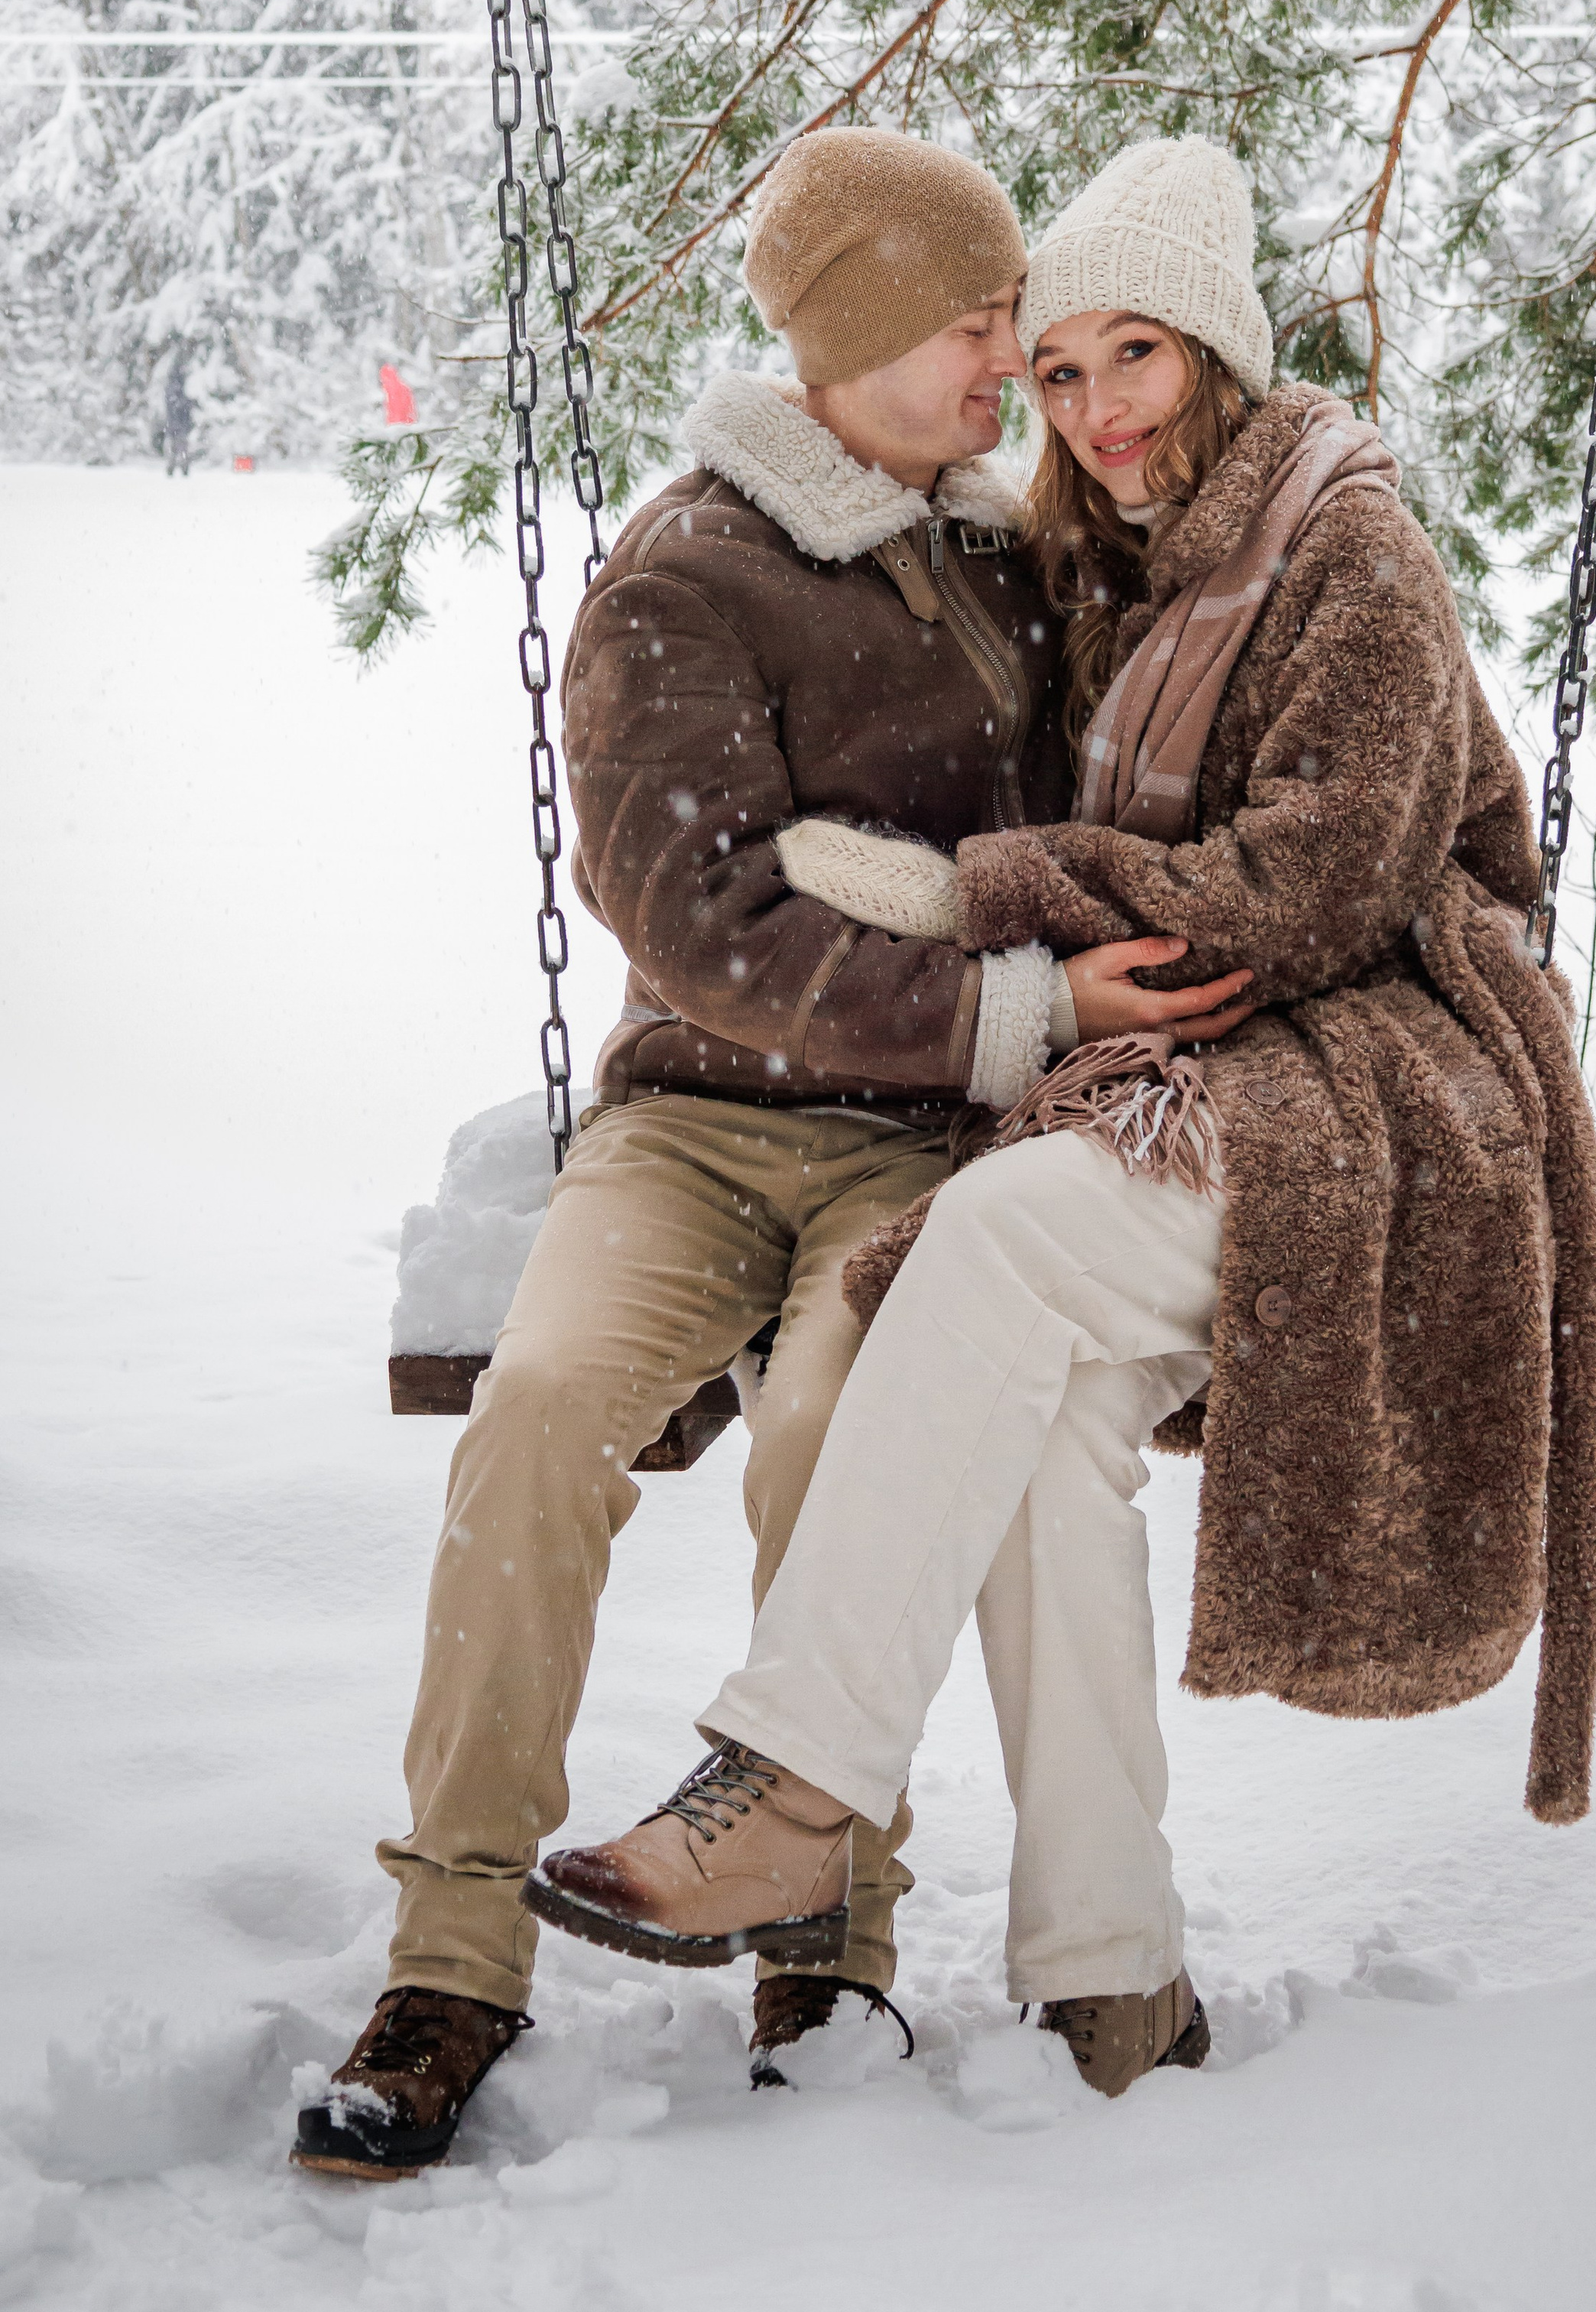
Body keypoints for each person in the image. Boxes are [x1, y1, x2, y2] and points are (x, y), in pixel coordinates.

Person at [523, 138, 1596, 2101]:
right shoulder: (1111, 556)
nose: (1100, 413)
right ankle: (1115, 1983)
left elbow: (1303, 896)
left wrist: (978, 894)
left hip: (1384, 1080)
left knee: (1001, 1237)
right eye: (1061, 370)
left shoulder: (1341, 541)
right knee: (1035, 1442)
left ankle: (789, 1779)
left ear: (1215, 349)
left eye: (1141, 359)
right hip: (1218, 1069)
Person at [293, 130, 1250, 2180]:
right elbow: (698, 919)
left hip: (918, 1157)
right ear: (870, 330)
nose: (1013, 373)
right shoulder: (686, 574)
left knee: (840, 1424)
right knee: (543, 1411)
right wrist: (1009, 1004)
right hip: (699, 1129)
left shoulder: (1005, 558)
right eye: (985, 331)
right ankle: (453, 1956)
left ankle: (822, 1942)